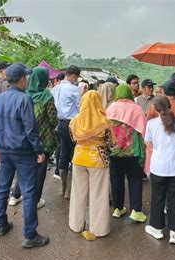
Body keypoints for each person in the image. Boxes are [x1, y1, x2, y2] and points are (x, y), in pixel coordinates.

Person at [0, 63, 49, 248]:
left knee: (2, 188)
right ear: (22, 79)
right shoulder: (24, 99)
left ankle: (0, 224)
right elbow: (31, 129)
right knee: (29, 192)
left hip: (5, 150)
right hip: (23, 151)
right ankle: (30, 234)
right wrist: (39, 151)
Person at [8, 67, 58, 209]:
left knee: (23, 169)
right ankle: (35, 200)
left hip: (25, 139)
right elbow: (54, 119)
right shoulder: (46, 96)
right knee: (39, 170)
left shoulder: (23, 94)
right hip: (43, 139)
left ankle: (15, 195)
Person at [69, 90, 112, 241]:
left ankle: (76, 224)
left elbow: (73, 139)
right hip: (98, 160)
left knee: (78, 193)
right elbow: (109, 143)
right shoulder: (104, 122)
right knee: (99, 195)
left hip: (79, 158)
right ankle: (99, 229)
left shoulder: (75, 121)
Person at [144, 95, 175, 245]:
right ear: (169, 105)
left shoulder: (151, 124)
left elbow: (148, 142)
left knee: (157, 198)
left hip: (158, 167)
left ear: (155, 109)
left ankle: (157, 228)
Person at [146, 80, 175, 215]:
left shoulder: (153, 109)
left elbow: (147, 134)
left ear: (163, 92)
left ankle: (163, 210)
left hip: (158, 155)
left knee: (159, 186)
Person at [106, 84, 147, 222]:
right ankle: (136, 210)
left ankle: (118, 208)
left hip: (115, 150)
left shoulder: (111, 108)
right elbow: (143, 130)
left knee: (116, 178)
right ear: (129, 93)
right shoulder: (137, 109)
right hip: (132, 151)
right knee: (135, 179)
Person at [52, 65, 81, 199]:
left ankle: (63, 188)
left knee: (63, 152)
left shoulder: (55, 88)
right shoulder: (73, 89)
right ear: (74, 76)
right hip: (71, 124)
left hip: (59, 124)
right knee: (74, 153)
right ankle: (69, 189)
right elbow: (80, 108)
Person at [51, 72, 65, 180]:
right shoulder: (67, 89)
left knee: (59, 147)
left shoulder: (53, 90)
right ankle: (58, 170)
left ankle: (58, 170)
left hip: (57, 122)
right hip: (61, 122)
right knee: (61, 147)